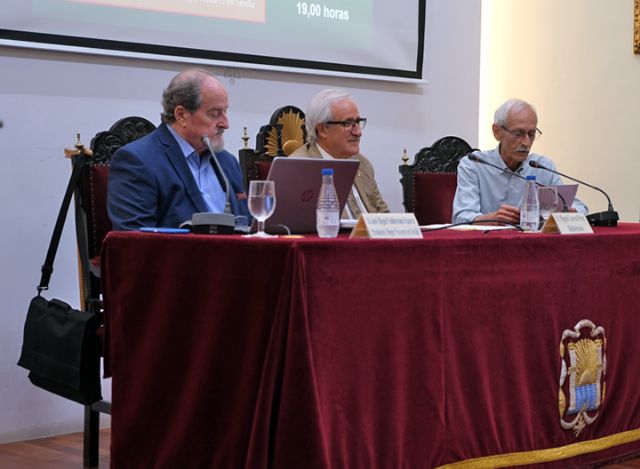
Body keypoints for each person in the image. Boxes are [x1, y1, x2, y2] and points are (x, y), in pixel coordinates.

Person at [107, 68, 250, 231]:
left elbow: (247, 225)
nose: (226, 123)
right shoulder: (137, 161)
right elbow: (135, 242)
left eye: (225, 112)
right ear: (181, 115)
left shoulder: (227, 163)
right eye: (215, 114)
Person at [452, 98, 588, 225]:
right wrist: (491, 219)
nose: (526, 142)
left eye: (532, 134)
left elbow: (579, 207)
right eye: (518, 133)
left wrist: (570, 212)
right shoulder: (475, 165)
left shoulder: (542, 167)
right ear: (497, 131)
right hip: (487, 245)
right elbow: (460, 217)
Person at [291, 89, 389, 218]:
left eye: (358, 122)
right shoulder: (299, 168)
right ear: (322, 129)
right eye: (348, 123)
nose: (358, 132)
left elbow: (385, 216)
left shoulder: (362, 164)